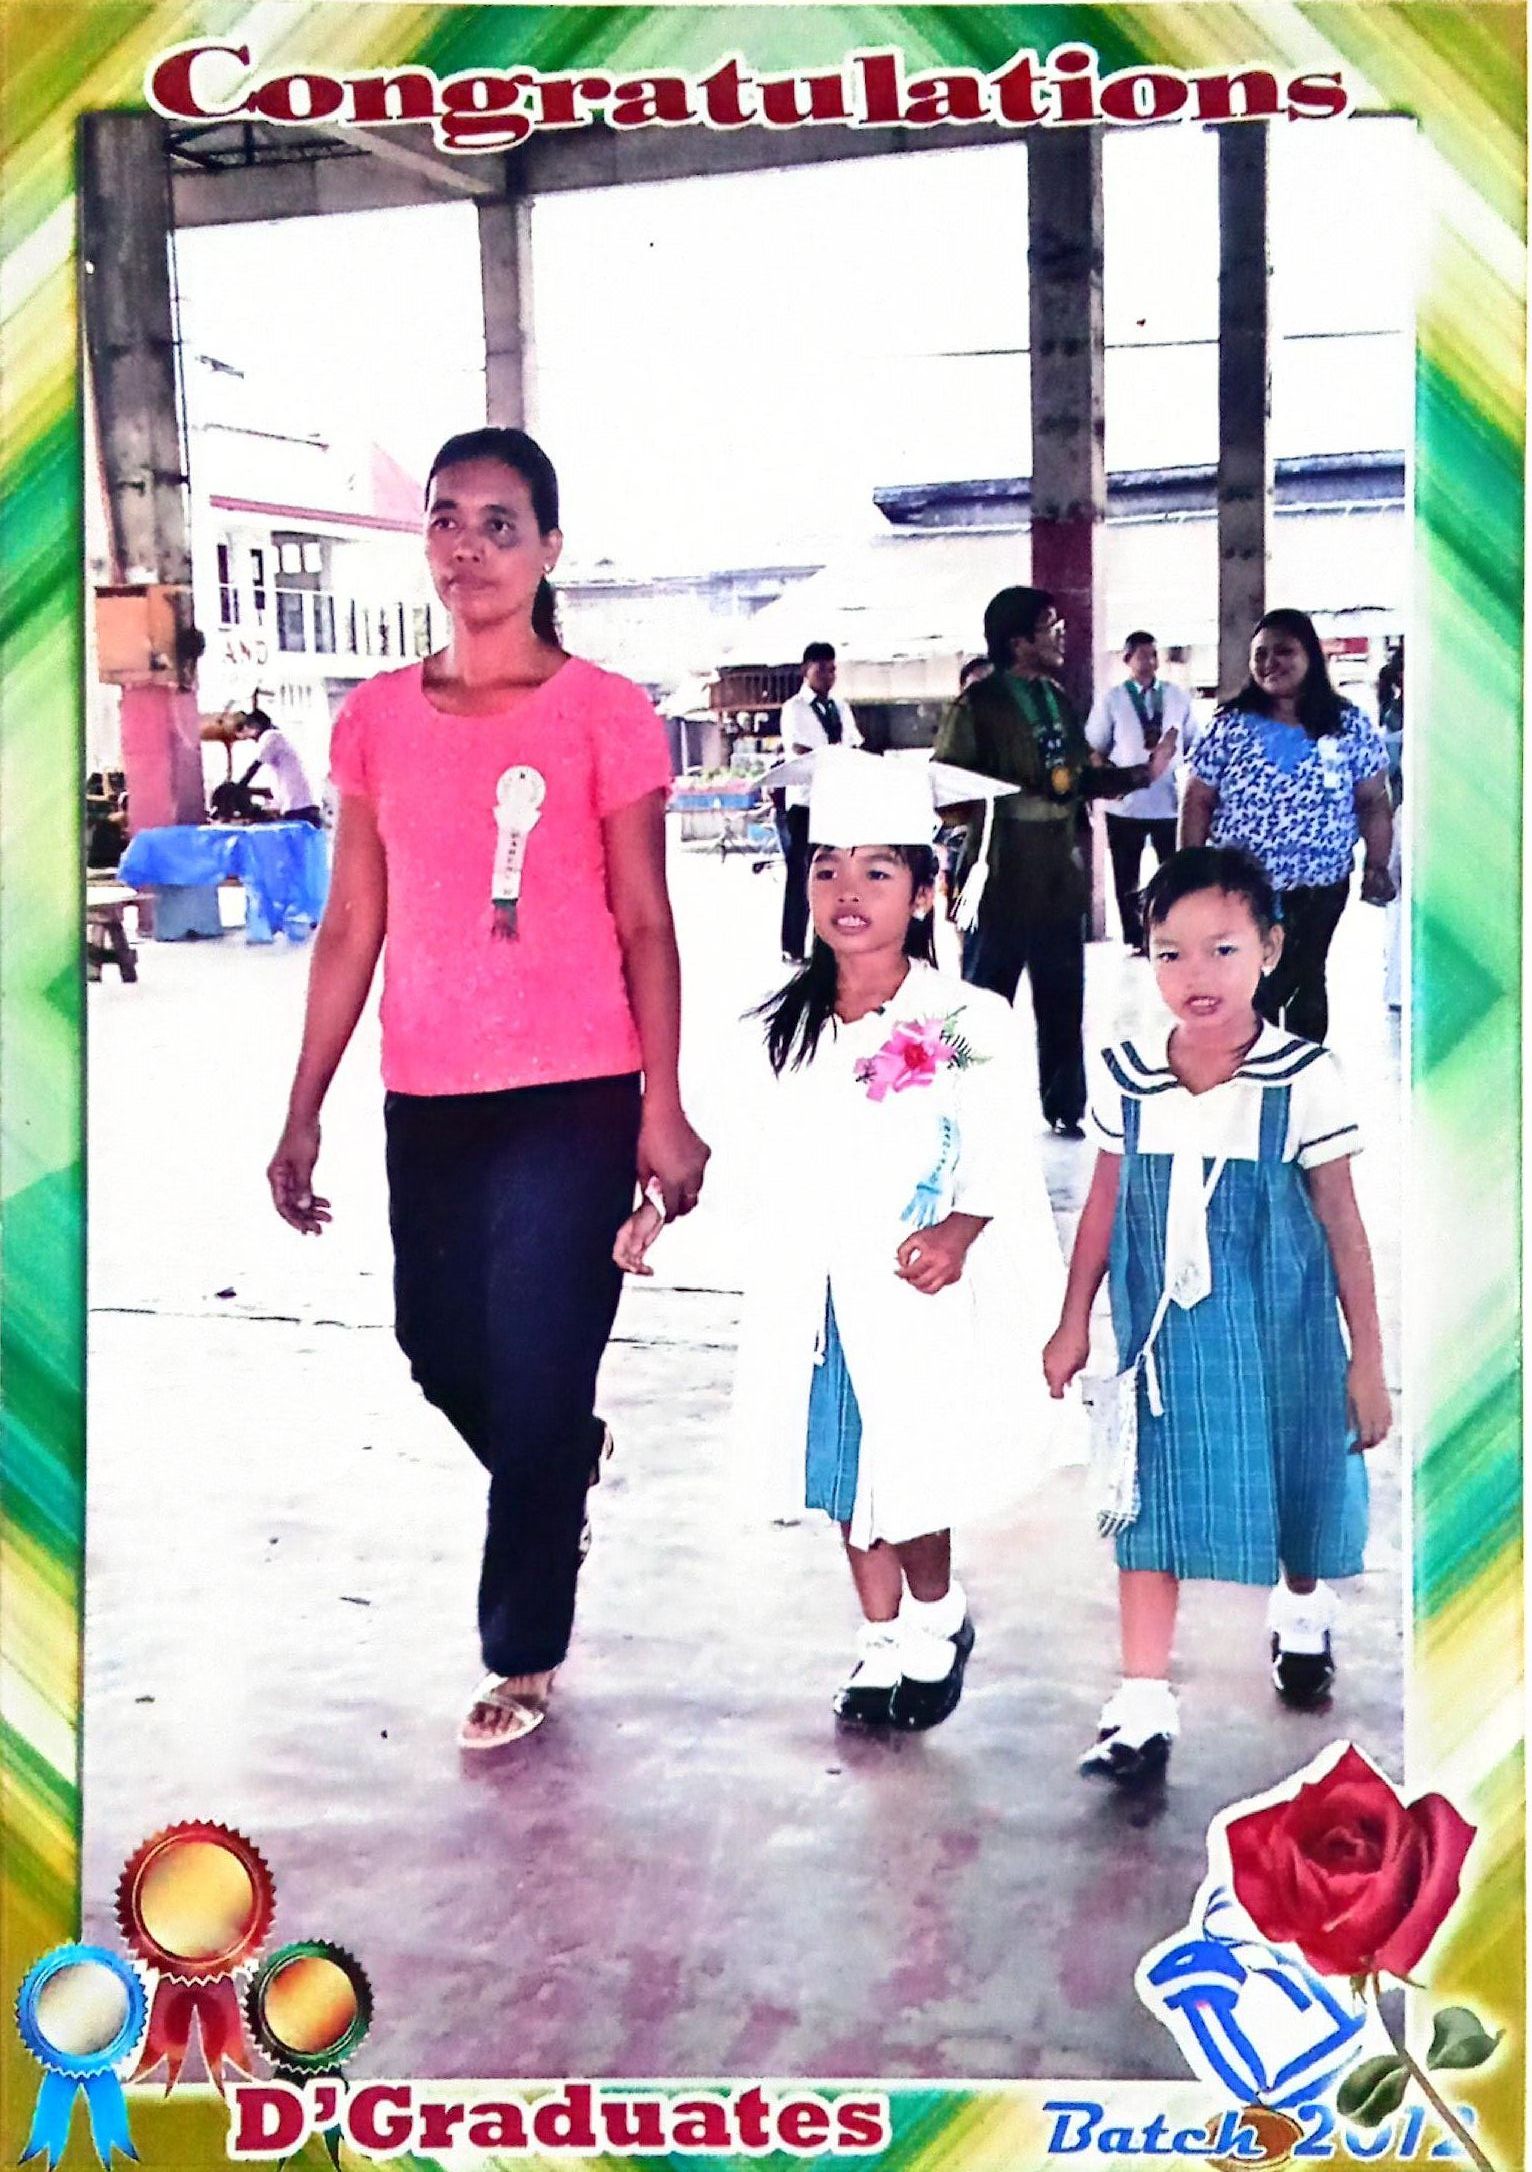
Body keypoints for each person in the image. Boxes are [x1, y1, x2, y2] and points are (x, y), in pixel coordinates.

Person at [266, 425, 710, 1754]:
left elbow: (645, 920)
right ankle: (558, 1461)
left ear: (550, 550)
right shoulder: (374, 721)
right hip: (430, 1093)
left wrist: (665, 1101)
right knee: (439, 1347)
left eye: (499, 524)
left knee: (534, 1359)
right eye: (448, 520)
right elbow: (353, 923)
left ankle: (522, 1650)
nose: (468, 547)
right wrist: (304, 1105)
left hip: (576, 1093)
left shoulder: (604, 712)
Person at [617, 746, 1068, 1732]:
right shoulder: (783, 1023)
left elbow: (997, 1142)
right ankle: (876, 1641)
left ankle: (936, 1617)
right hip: (812, 1289)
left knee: (910, 1474)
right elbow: (734, 1138)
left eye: (877, 870)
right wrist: (659, 1204)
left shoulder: (960, 1019)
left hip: (910, 1291)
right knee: (839, 1469)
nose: (847, 891)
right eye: (826, 869)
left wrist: (958, 1227)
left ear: (923, 890)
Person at [1042, 846, 1390, 1785]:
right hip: (1162, 1339)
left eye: (1223, 950)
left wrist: (1367, 1359)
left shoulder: (1305, 1078)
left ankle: (1302, 1607)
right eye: (1170, 953)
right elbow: (1105, 1204)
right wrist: (1074, 1319)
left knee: (1292, 1475)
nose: (1196, 976)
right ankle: (1142, 1700)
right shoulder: (1126, 1075)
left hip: (1281, 1329)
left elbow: (1343, 1224)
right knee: (1146, 1503)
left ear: (1272, 951)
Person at [933, 587, 1166, 1136]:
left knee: (1064, 994)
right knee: (984, 999)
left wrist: (1140, 775)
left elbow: (1081, 775)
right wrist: (1011, 795)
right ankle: (962, 1105)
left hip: (1059, 871)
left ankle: (1064, 1105)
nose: (1060, 635)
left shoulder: (1058, 698)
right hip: (1001, 869)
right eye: (1049, 627)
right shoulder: (978, 705)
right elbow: (947, 790)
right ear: (1018, 641)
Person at [1181, 609, 1394, 1044]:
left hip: (1322, 885)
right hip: (1243, 888)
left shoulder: (1347, 723)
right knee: (1254, 985)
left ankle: (1303, 1078)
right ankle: (1252, 1073)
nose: (1269, 663)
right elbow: (1197, 799)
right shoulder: (1229, 725)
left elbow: (1374, 800)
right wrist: (1189, 871)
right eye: (1260, 654)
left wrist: (1377, 865)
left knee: (1308, 981)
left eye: (1284, 652)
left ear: (1311, 657)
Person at [1086, 631, 1195, 953]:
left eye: (1153, 655)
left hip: (1167, 801)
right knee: (1126, 873)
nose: (1149, 662)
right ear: (1127, 660)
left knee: (1171, 871)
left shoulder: (1176, 696)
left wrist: (1171, 761)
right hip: (1126, 804)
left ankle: (1172, 930)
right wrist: (1111, 782)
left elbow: (1193, 742)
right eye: (1142, 655)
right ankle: (1136, 936)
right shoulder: (1114, 699)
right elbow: (1094, 746)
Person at [777, 642, 862, 963]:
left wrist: (841, 757)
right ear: (805, 670)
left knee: (834, 875)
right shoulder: (795, 708)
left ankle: (825, 944)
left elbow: (853, 745)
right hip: (805, 803)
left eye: (832, 669)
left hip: (836, 801)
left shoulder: (840, 707)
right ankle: (792, 946)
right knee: (801, 874)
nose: (829, 675)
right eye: (821, 669)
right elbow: (802, 751)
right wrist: (836, 754)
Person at [234, 702, 323, 827]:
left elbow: (254, 768)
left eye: (247, 729)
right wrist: (249, 791)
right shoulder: (280, 739)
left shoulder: (271, 737)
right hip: (304, 806)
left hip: (299, 808)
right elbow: (278, 788)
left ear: (255, 726)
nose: (248, 736)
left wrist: (237, 788)